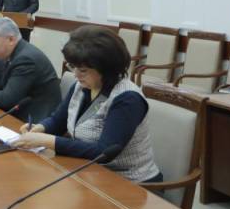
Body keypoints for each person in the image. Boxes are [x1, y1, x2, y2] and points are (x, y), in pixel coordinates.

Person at [11, 26, 163, 184]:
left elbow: (103, 152)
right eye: (72, 66)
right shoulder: (81, 86)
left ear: (106, 69)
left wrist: (44, 140)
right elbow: (58, 120)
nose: (75, 74)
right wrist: (40, 128)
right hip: (88, 172)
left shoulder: (127, 98)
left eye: (83, 70)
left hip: (129, 182)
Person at [0, 17, 61, 123]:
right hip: (21, 116)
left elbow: (6, 100)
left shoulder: (25, 59)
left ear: (11, 39)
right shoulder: (15, 53)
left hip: (36, 123)